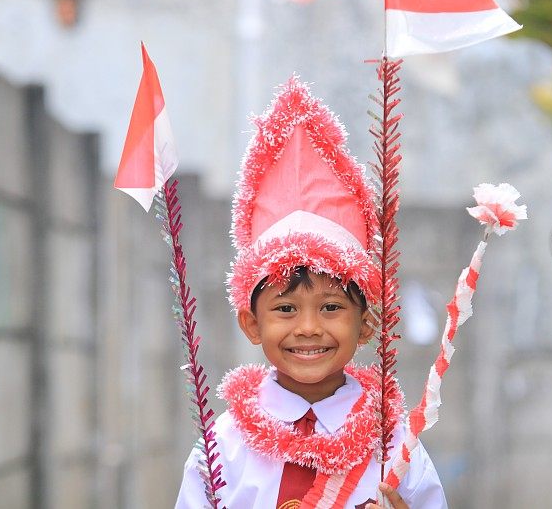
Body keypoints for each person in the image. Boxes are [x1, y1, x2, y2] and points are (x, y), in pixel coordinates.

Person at [175, 77, 447, 509]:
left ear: (367, 324)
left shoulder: (395, 444)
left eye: (332, 307)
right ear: (250, 322)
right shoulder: (222, 447)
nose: (308, 327)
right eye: (285, 308)